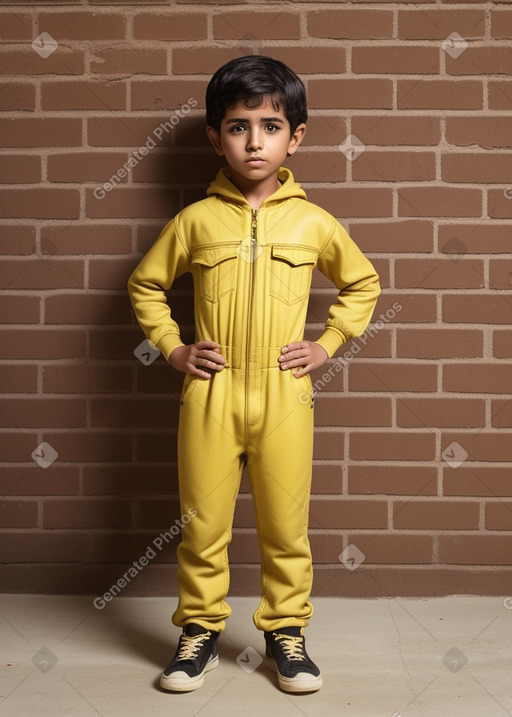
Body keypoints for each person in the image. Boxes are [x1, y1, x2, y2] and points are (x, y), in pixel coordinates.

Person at [127, 55, 380, 694]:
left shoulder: (313, 221)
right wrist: (174, 347)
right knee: (202, 523)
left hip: (284, 395)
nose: (254, 140)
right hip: (210, 395)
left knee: (285, 526)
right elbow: (146, 285)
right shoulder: (194, 221)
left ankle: (286, 634)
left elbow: (362, 283)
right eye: (239, 127)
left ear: (295, 136)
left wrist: (328, 345)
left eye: (270, 126)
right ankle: (200, 632)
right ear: (217, 138)